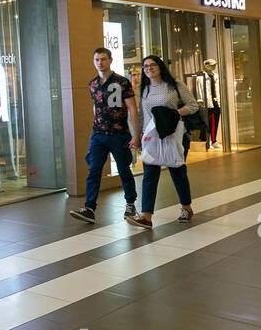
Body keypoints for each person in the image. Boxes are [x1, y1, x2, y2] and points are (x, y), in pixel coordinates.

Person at [69, 47, 139, 224]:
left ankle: (130, 204)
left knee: (124, 170)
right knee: (93, 170)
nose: (100, 62)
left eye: (103, 59)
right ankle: (89, 208)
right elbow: (96, 106)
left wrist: (136, 135)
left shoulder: (122, 82)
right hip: (98, 135)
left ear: (110, 60)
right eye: (97, 60)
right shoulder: (92, 84)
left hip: (119, 134)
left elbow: (132, 108)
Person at [128, 55, 197, 229]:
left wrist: (175, 113)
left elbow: (193, 105)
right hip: (152, 137)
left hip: (174, 135)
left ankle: (186, 208)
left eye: (152, 65)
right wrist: (137, 136)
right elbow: (142, 115)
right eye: (145, 66)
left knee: (177, 173)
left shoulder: (175, 85)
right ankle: (146, 216)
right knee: (149, 175)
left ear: (159, 66)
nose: (148, 68)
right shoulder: (144, 89)